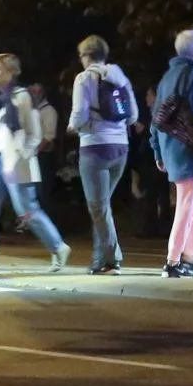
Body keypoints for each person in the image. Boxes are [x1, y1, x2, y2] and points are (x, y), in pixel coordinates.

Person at [0, 55, 68, 280]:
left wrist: (24, 155)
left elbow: (34, 132)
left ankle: (58, 247)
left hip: (15, 160)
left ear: (11, 72)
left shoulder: (21, 97)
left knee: (27, 210)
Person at [69, 35, 136, 275]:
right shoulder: (121, 78)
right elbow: (134, 115)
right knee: (101, 208)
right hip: (120, 149)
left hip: (94, 148)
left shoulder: (84, 78)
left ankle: (111, 259)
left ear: (86, 56)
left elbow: (79, 114)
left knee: (98, 208)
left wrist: (73, 126)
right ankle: (99, 261)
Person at [152, 30, 193, 277]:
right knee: (189, 203)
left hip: (170, 146)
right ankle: (174, 260)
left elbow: (156, 117)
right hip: (187, 147)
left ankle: (191, 255)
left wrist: (157, 150)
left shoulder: (167, 77)